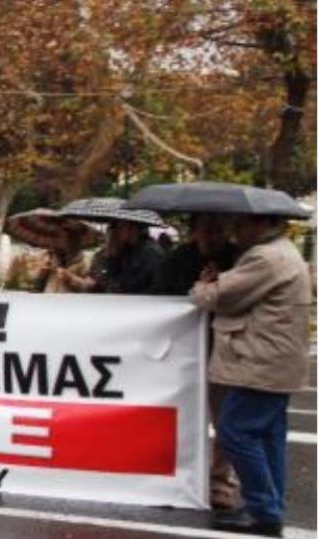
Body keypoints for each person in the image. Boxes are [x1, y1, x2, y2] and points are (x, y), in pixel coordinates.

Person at [191, 214, 310, 537]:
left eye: (241, 224)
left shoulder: (264, 258)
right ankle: (269, 508)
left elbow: (215, 297)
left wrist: (204, 284)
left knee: (235, 432)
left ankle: (263, 511)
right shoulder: (284, 251)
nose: (235, 231)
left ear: (261, 224)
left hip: (259, 362)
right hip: (277, 362)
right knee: (268, 438)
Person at [153, 213, 242, 510]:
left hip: (225, 348)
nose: (212, 236)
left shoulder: (239, 259)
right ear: (194, 233)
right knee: (176, 415)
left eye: (218, 229)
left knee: (224, 419)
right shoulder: (178, 259)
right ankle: (175, 476)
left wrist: (218, 285)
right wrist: (197, 288)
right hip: (181, 349)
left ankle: (220, 482)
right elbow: (158, 298)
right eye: (206, 230)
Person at [89, 220, 165, 294]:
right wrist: (111, 255)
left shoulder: (150, 253)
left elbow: (126, 287)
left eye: (119, 226)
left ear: (132, 228)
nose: (115, 232)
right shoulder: (127, 249)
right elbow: (111, 279)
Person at [34, 222, 90, 293]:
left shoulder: (83, 260)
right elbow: (37, 283)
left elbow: (87, 287)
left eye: (63, 237)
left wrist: (70, 278)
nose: (58, 241)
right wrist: (42, 271)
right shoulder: (48, 255)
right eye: (57, 237)